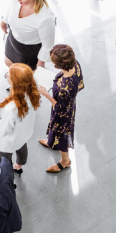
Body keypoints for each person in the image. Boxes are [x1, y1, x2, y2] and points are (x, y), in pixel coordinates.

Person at [38, 44, 83, 173]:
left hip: (63, 112)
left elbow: (59, 108)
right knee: (54, 127)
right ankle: (51, 141)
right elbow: (79, 84)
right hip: (68, 104)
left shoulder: (65, 87)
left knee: (62, 134)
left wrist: (45, 93)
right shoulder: (75, 64)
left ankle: (65, 161)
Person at [0, 64, 41, 175]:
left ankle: (8, 176)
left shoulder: (12, 108)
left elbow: (3, 130)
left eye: (8, 77)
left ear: (16, 84)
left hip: (8, 141)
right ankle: (19, 165)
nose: (6, 77)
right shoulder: (34, 83)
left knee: (5, 160)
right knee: (21, 147)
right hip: (25, 132)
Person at [1, 0, 56, 71]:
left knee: (26, 73)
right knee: (8, 62)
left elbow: (47, 45)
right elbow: (11, 8)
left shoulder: (46, 18)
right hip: (13, 39)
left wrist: (40, 63)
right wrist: (4, 21)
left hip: (29, 49)